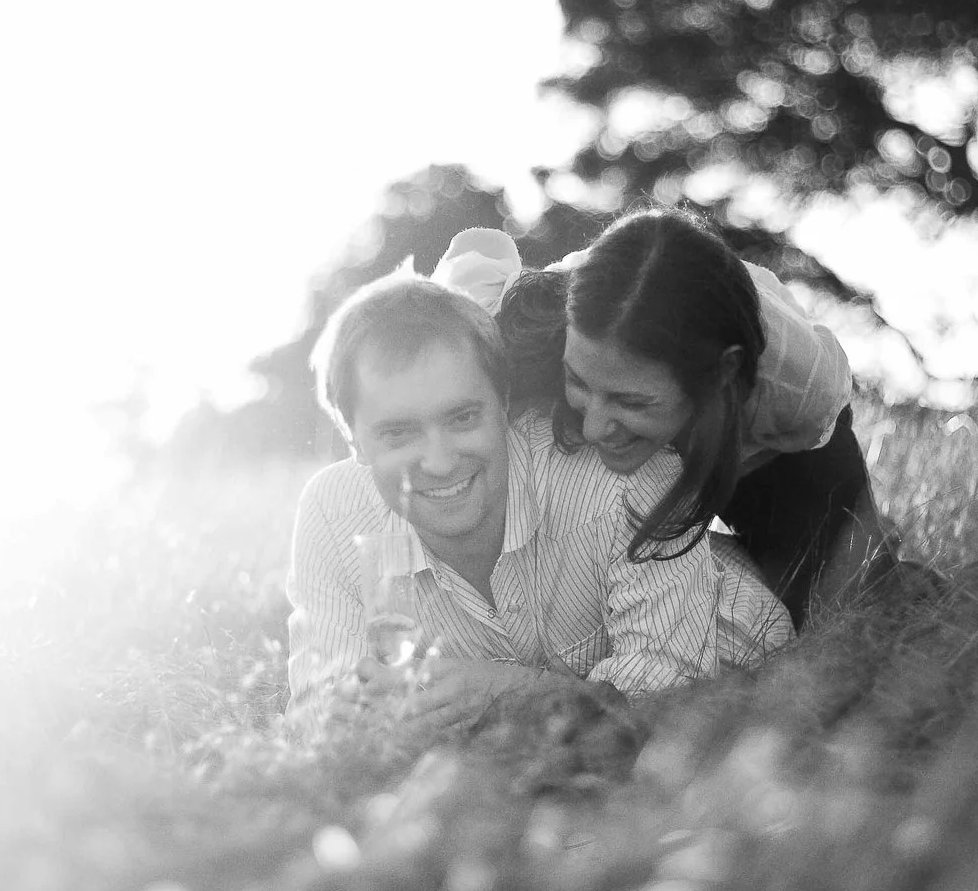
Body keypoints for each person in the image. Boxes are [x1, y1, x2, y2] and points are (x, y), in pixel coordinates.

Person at [457, 214, 978, 626]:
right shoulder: (539, 327)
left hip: (771, 456)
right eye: (580, 386)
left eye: (632, 402)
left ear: (718, 379)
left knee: (865, 614)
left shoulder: (796, 390)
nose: (594, 426)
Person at [285, 266, 792, 725]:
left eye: (463, 418)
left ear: (503, 403)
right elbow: (316, 707)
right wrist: (356, 723)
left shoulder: (627, 483)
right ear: (352, 438)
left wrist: (510, 693)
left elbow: (665, 696)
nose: (438, 462)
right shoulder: (333, 514)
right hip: (547, 746)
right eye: (398, 434)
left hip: (748, 672)